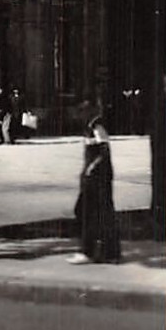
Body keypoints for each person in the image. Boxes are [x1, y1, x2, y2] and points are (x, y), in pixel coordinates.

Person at [71, 113, 122, 263]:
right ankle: (106, 252)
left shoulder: (97, 125)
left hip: (98, 177)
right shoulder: (89, 126)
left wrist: (91, 168)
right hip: (92, 176)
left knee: (89, 212)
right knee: (92, 212)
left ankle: (92, 251)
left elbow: (104, 151)